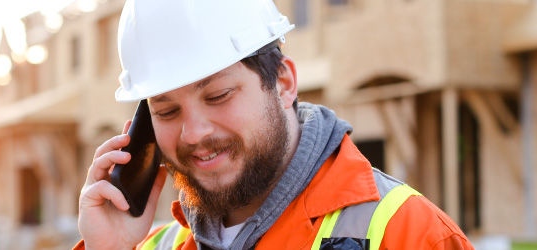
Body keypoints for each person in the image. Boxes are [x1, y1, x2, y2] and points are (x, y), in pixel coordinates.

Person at [75, 0, 474, 249]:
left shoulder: (410, 236)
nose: (193, 134)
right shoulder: (153, 245)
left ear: (283, 84)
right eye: (166, 112)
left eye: (217, 96)